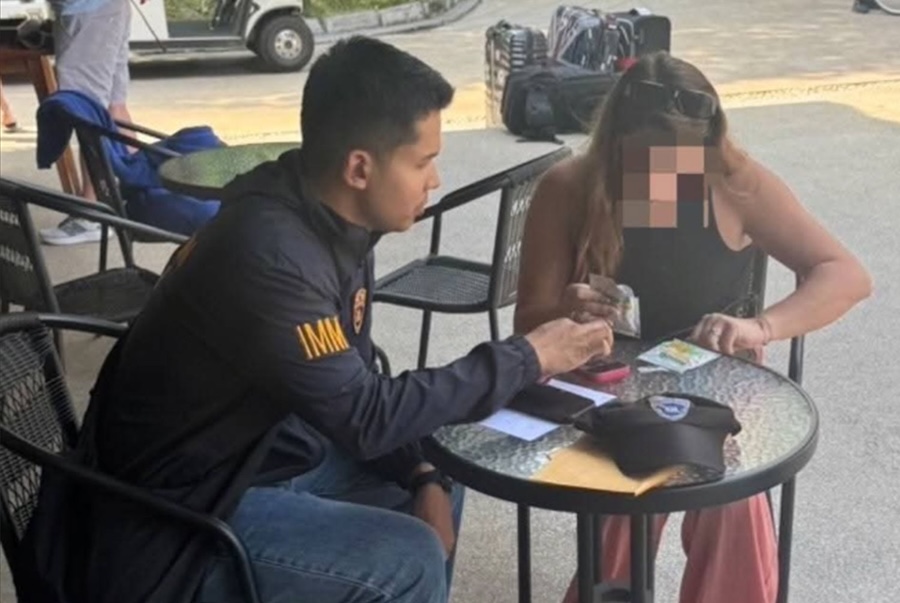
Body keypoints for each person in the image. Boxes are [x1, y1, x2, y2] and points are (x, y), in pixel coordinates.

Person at [34, 37, 614, 603]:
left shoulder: (333, 222)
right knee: (409, 556)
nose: (434, 180)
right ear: (359, 168)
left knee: (438, 478)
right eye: (423, 161)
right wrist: (529, 356)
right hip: (170, 523)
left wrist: (420, 472)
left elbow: (354, 390)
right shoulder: (269, 254)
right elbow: (365, 417)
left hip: (255, 458)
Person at [513, 51, 872, 603]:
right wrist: (567, 310)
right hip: (610, 387)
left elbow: (844, 274)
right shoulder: (569, 186)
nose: (664, 183)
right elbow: (528, 322)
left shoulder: (736, 184)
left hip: (718, 386)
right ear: (615, 146)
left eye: (681, 167)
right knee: (625, 487)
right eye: (646, 166)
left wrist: (761, 327)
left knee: (728, 498)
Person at [39, 0, 141, 245]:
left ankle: (92, 214)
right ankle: (140, 196)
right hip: (103, 10)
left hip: (88, 12)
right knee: (112, 107)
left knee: (87, 112)